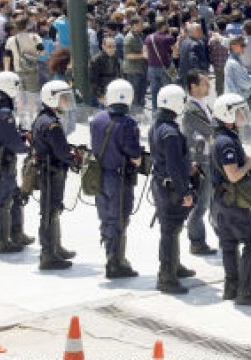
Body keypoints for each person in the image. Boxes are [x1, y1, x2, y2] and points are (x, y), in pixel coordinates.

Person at [210, 93, 251, 307]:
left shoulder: (221, 136)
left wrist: (249, 169)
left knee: (228, 243)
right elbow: (233, 175)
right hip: (231, 202)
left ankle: (231, 287)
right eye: (238, 111)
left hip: (220, 200)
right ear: (227, 114)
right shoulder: (226, 141)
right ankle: (246, 291)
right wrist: (248, 165)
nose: (243, 114)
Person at [90, 79, 143, 279]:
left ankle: (111, 256)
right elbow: (135, 155)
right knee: (120, 218)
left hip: (98, 175)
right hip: (119, 178)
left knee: (106, 218)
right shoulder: (129, 124)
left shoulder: (96, 120)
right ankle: (115, 262)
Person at [149, 84, 197, 294]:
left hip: (161, 185)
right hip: (170, 188)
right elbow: (174, 166)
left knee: (172, 229)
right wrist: (185, 192)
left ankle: (173, 266)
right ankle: (166, 277)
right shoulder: (170, 132)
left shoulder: (158, 125)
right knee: (170, 230)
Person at [32, 80, 78, 270]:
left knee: (52, 210)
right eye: (63, 97)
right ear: (52, 99)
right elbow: (61, 152)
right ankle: (48, 254)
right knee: (50, 212)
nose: (66, 101)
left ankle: (54, 248)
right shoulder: (52, 125)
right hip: (53, 172)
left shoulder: (42, 118)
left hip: (47, 170)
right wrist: (74, 158)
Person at [0, 72, 33, 254]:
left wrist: (22, 137)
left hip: (2, 160)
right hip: (2, 161)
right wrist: (27, 148)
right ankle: (1, 240)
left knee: (14, 196)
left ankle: (16, 233)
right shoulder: (4, 112)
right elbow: (10, 140)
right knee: (3, 200)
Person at [181, 69, 217, 256]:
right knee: (201, 204)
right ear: (193, 87)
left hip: (209, 159)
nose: (209, 86)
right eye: (204, 83)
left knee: (213, 201)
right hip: (201, 162)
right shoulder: (191, 109)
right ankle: (197, 242)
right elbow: (210, 132)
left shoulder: (203, 105)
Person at [145, 18, 177, 112]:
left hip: (151, 68)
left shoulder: (148, 38)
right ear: (164, 26)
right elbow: (175, 52)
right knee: (166, 91)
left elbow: (145, 52)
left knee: (154, 91)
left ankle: (155, 112)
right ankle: (166, 110)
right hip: (164, 67)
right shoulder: (168, 38)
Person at [4, 16, 43, 94]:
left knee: (20, 95)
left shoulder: (11, 40)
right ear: (27, 25)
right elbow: (42, 52)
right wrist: (33, 56)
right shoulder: (35, 37)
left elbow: (7, 57)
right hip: (32, 69)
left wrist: (6, 72)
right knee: (33, 94)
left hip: (18, 69)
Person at [122, 16, 148, 112]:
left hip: (140, 69)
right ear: (135, 25)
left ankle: (139, 113)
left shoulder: (138, 36)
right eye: (141, 24)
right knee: (134, 96)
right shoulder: (129, 38)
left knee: (141, 94)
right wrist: (143, 55)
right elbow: (128, 55)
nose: (142, 26)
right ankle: (134, 114)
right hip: (133, 71)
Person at [89, 37, 121, 105]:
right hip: (101, 93)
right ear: (103, 47)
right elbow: (93, 80)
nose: (112, 49)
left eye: (114, 47)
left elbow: (118, 74)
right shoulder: (97, 60)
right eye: (109, 46)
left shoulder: (115, 58)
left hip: (113, 91)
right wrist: (100, 95)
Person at [178, 22, 209, 86]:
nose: (201, 32)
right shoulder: (195, 44)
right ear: (194, 32)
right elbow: (194, 60)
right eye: (199, 30)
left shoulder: (184, 41)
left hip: (184, 73)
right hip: (193, 76)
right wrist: (200, 74)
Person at [224, 35, 251, 100]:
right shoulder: (233, 63)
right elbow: (247, 84)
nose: (244, 47)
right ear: (233, 46)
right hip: (236, 100)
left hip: (235, 98)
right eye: (242, 45)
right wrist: (250, 78)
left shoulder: (235, 60)